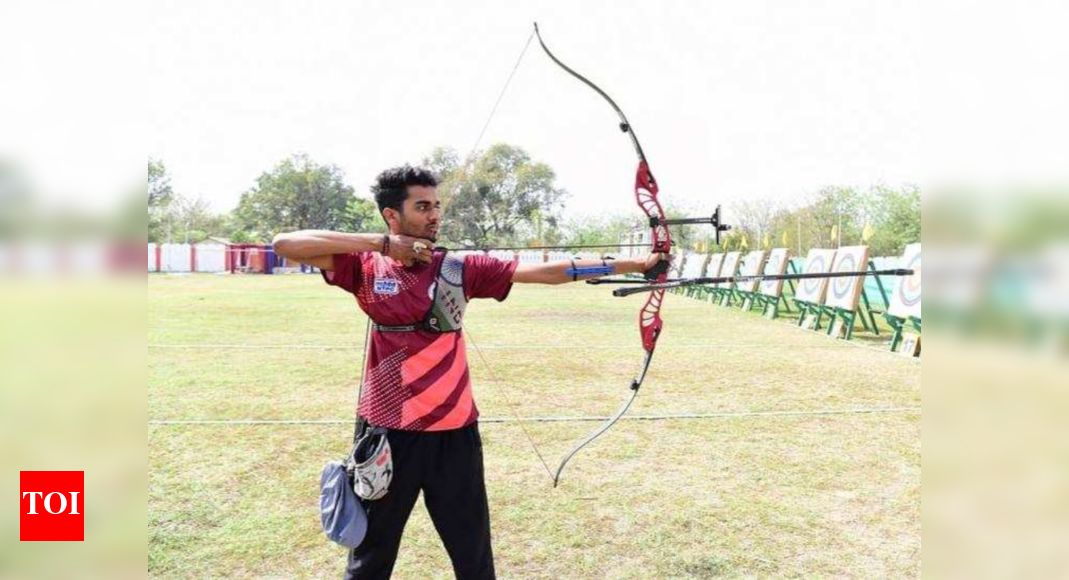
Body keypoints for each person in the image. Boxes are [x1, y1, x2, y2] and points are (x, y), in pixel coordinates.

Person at [273, 165, 663, 579]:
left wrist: (637, 263)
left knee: (473, 558)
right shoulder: (365, 266)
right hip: (386, 433)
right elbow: (285, 244)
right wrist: (384, 246)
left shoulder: (459, 267)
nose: (434, 215)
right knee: (370, 560)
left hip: (454, 435)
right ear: (392, 215)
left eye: (436, 206)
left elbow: (552, 272)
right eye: (422, 207)